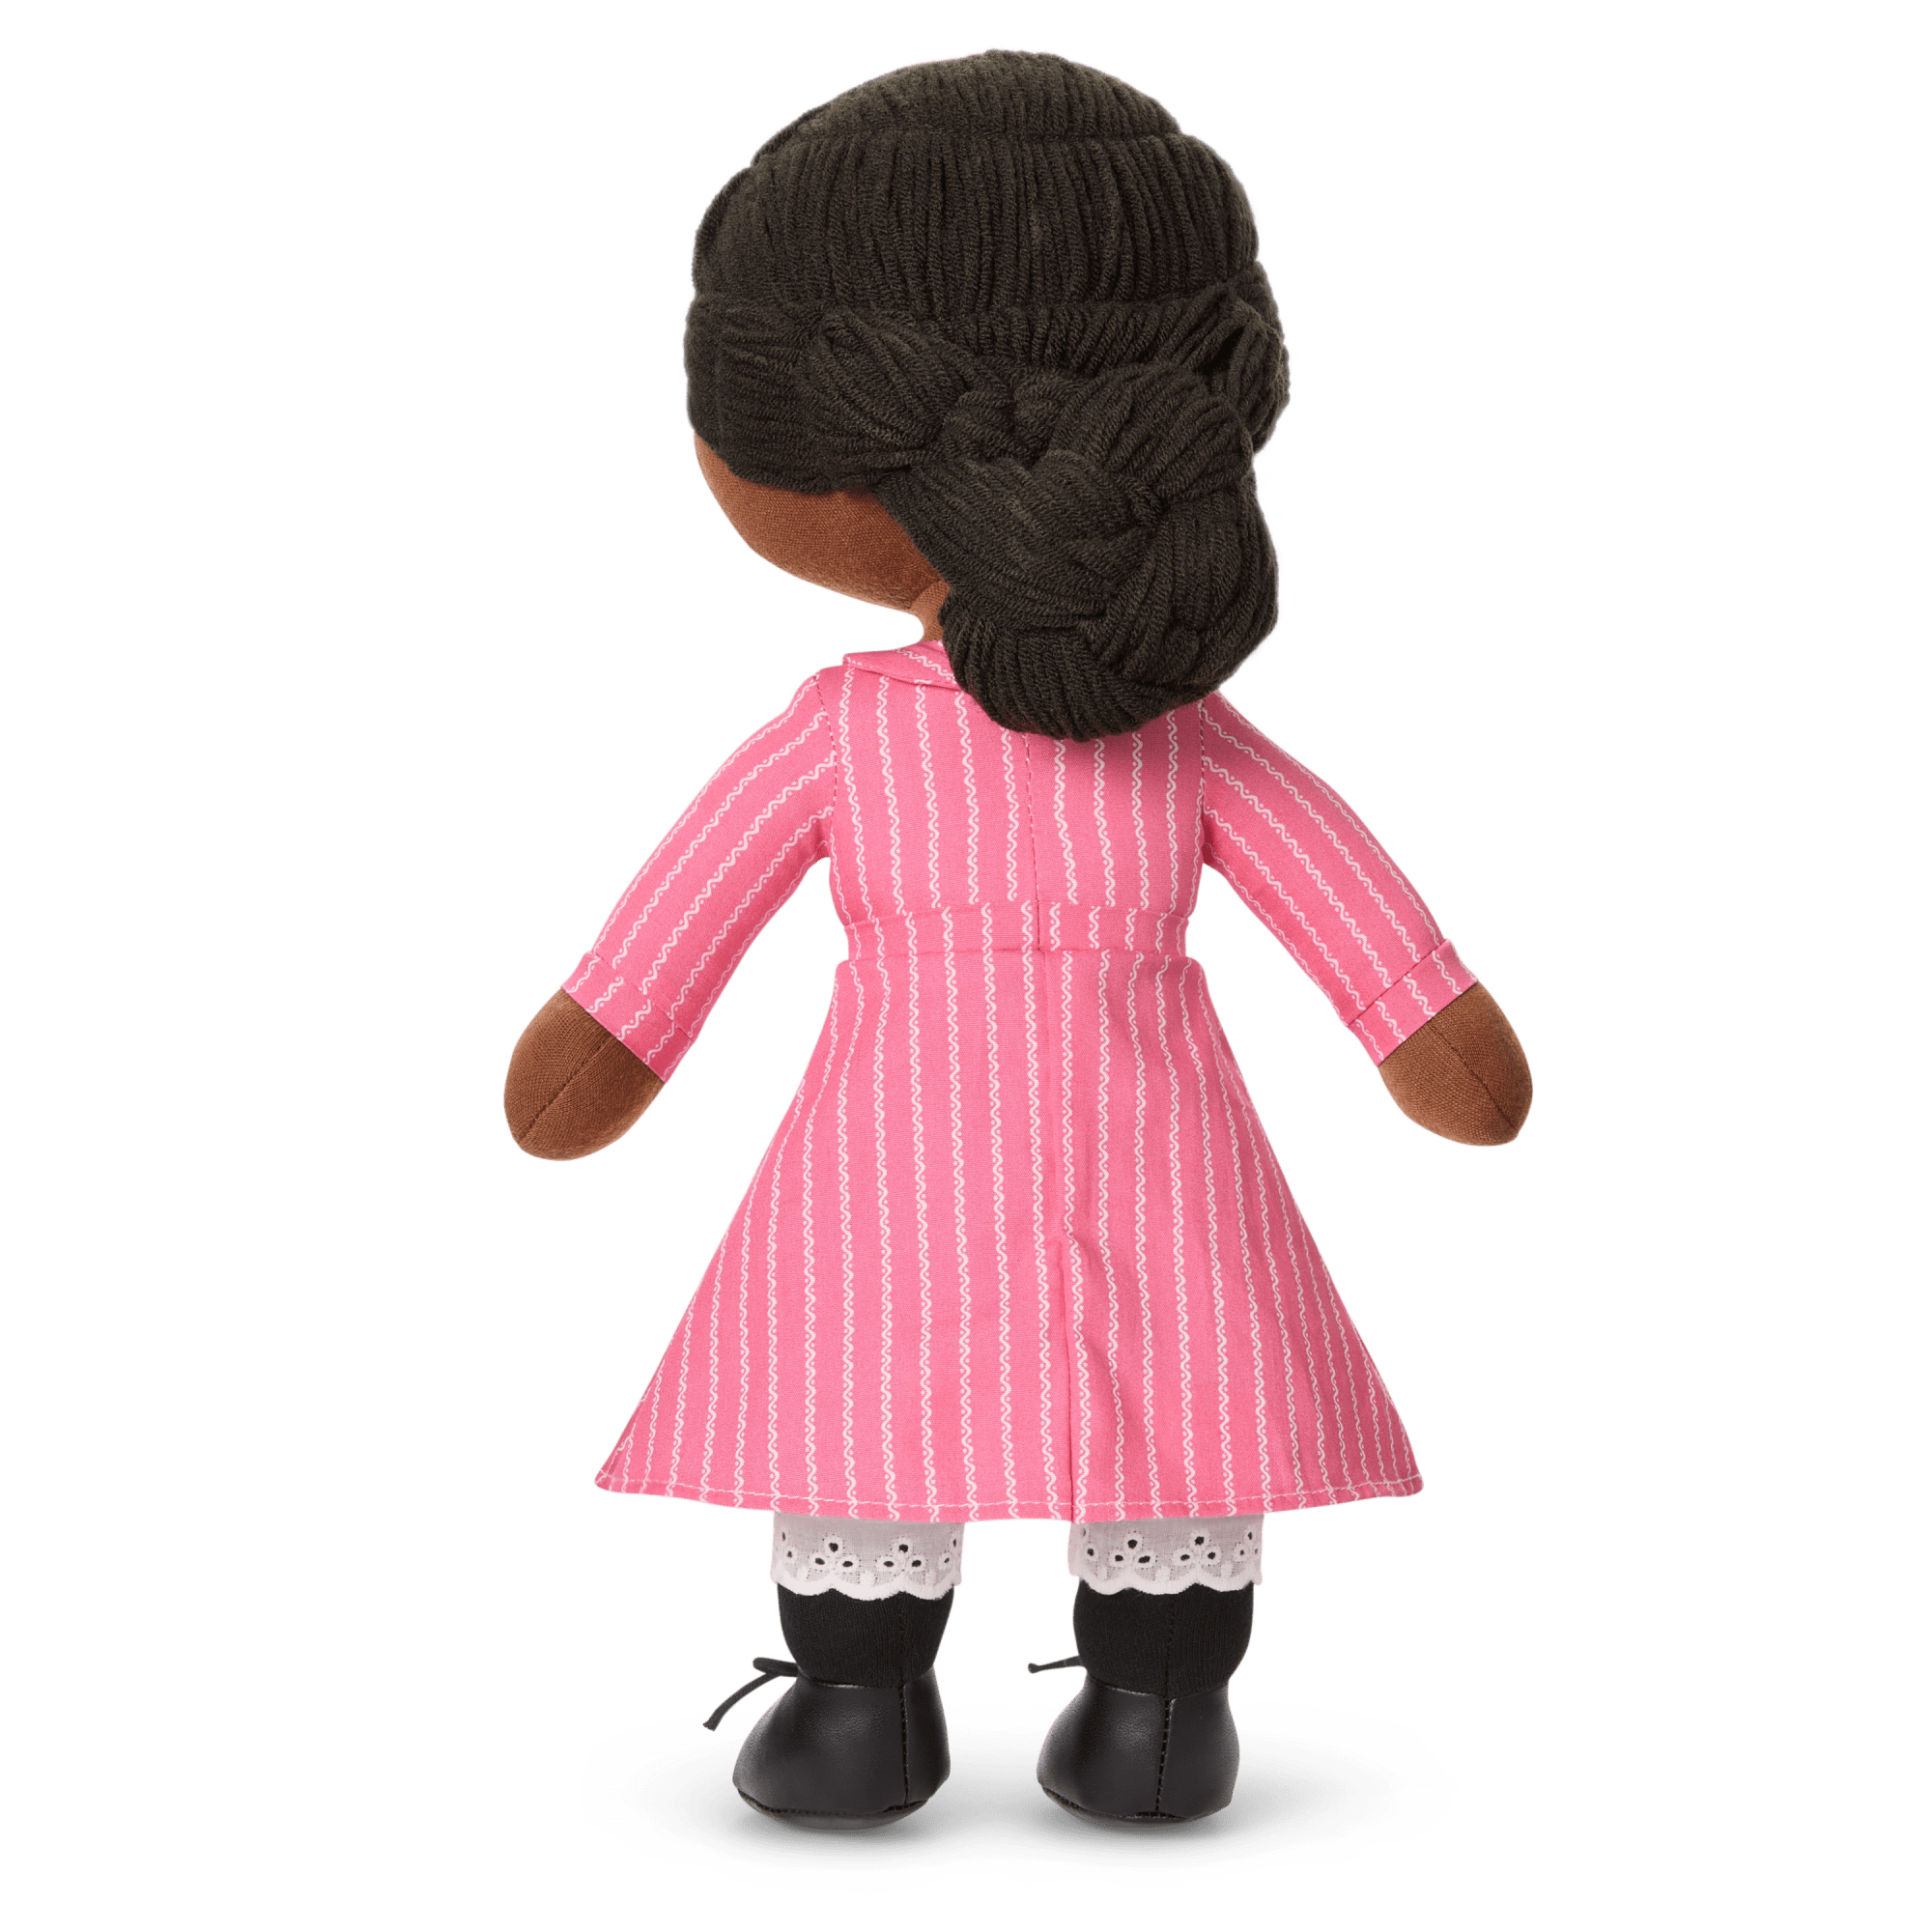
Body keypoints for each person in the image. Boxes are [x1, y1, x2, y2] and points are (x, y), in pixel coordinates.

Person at [503, 46, 1531, 1833]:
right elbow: (1365, 921)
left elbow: (669, 937)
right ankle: (1133, 1717)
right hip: (1135, 1132)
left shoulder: (858, 728)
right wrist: (1426, 1030)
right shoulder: (1129, 735)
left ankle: (897, 1712)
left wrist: (602, 1046)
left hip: (895, 1143)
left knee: (893, 1390)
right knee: (1156, 1389)